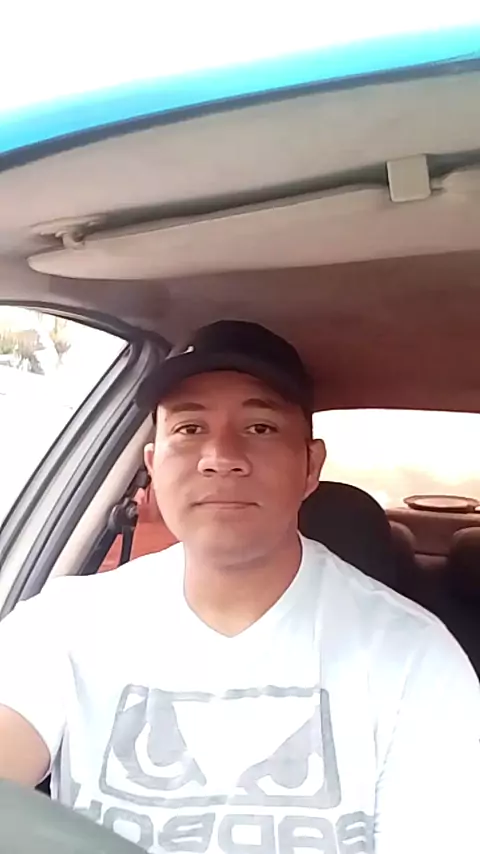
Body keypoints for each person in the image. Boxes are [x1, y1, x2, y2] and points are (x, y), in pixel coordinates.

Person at [0, 320, 478, 854]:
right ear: (153, 466)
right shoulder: (65, 625)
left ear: (310, 466)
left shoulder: (414, 656)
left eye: (260, 428)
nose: (220, 456)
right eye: (189, 429)